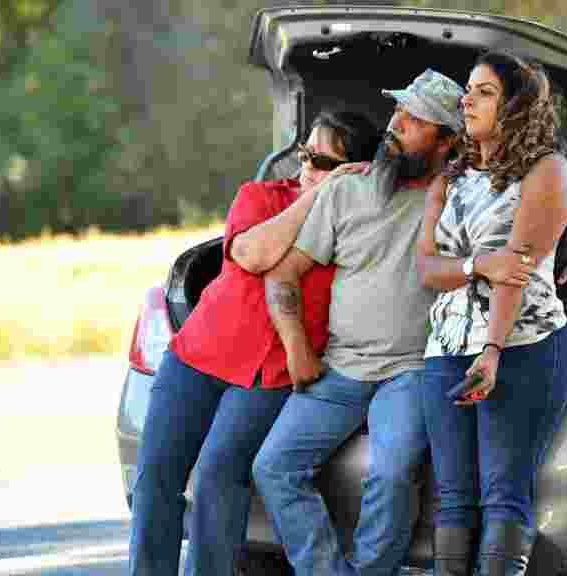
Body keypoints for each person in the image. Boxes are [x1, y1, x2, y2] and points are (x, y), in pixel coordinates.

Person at [253, 69, 567, 576]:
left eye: (412, 119)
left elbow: (533, 251)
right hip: (395, 359)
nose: (393, 125)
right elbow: (436, 268)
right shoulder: (403, 185)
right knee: (448, 497)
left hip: (451, 360)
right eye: (397, 112)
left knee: (448, 484)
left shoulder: (522, 175)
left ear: (444, 138)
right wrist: (297, 347)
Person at [128, 109, 381, 576]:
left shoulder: (358, 224)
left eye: (323, 163)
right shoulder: (261, 196)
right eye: (306, 154)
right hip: (198, 356)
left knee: (216, 479)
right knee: (154, 482)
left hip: (270, 374)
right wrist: (317, 194)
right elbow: (254, 253)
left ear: (357, 171)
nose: (307, 167)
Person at [415, 51, 567, 576]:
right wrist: (474, 265)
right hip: (446, 347)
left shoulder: (547, 171)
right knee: (453, 498)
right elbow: (425, 267)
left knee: (502, 495)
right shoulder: (450, 178)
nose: (467, 99)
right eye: (469, 89)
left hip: (523, 348)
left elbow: (515, 273)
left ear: (515, 108)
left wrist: (492, 352)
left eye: (484, 91)